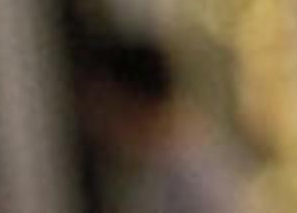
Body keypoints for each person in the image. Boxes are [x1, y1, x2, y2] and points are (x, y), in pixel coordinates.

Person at [72, 33, 251, 213]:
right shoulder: (158, 161)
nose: (98, 123)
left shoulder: (193, 172)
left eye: (104, 104)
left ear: (132, 102)